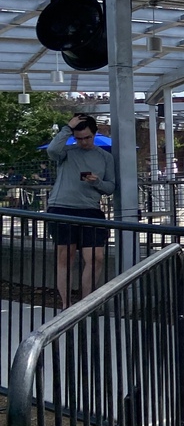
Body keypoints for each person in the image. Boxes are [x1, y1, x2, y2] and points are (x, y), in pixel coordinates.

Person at [46, 114, 116, 309]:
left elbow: (111, 187)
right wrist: (67, 128)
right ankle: (67, 305)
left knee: (96, 257)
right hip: (62, 207)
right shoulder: (66, 152)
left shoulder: (105, 157)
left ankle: (85, 303)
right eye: (79, 138)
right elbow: (52, 150)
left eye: (87, 137)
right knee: (64, 256)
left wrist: (98, 182)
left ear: (94, 134)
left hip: (90, 210)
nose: (83, 142)